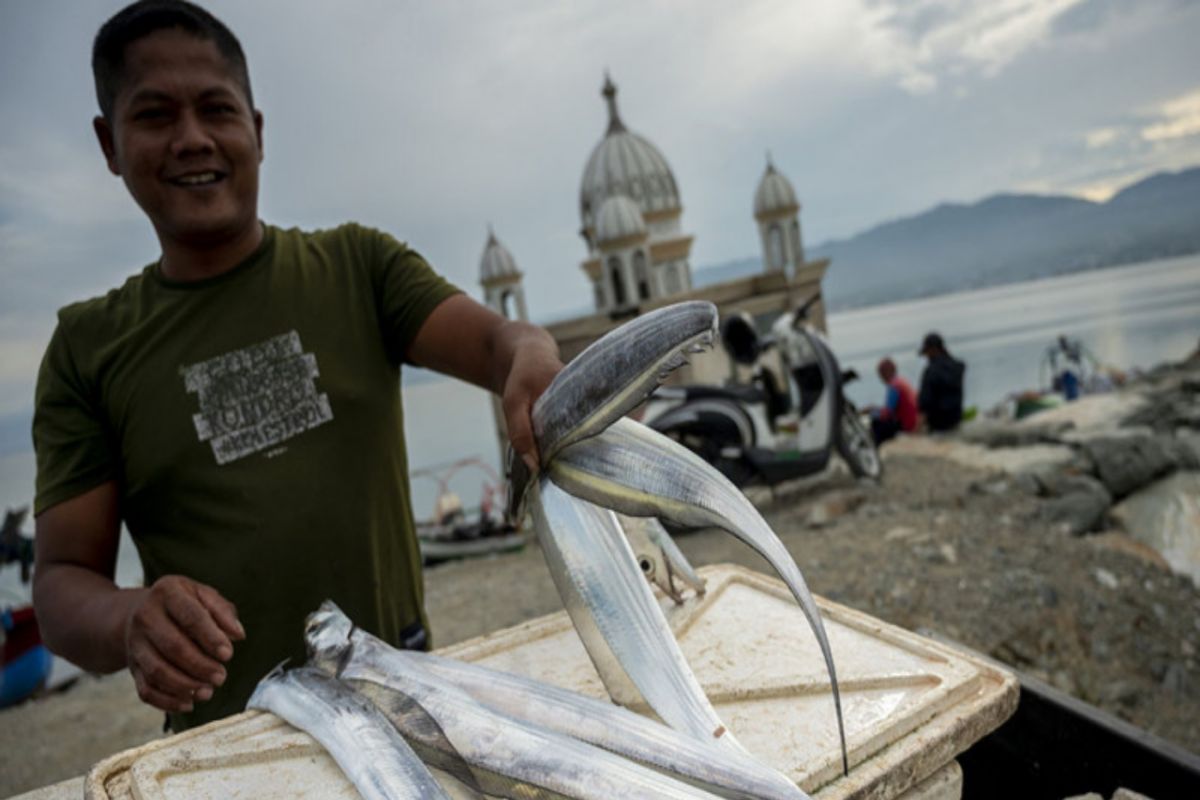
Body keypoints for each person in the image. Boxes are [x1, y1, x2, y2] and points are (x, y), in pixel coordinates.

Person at [30, 0, 561, 732]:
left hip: (405, 714)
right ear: (109, 143)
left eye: (216, 109)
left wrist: (531, 353)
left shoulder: (359, 268)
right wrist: (129, 620)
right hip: (226, 750)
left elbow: (500, 344)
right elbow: (61, 583)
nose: (191, 139)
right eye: (154, 115)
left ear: (257, 129)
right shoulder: (86, 349)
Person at [916, 332, 965, 432]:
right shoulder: (957, 367)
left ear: (933, 350)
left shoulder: (930, 371)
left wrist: (916, 430)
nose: (927, 356)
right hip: (956, 418)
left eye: (927, 352)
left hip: (938, 424)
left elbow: (925, 403)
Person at [868, 357, 918, 444]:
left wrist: (871, 412)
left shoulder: (894, 386)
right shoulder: (902, 381)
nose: (880, 376)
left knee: (876, 423)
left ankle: (877, 450)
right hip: (914, 419)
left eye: (880, 373)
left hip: (907, 424)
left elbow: (887, 413)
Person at [1043, 334, 1096, 401]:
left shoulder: (1071, 349)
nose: (1063, 343)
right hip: (1068, 382)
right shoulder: (1058, 352)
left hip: (1073, 381)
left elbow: (1077, 362)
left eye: (1063, 341)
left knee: (1078, 372)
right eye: (1061, 341)